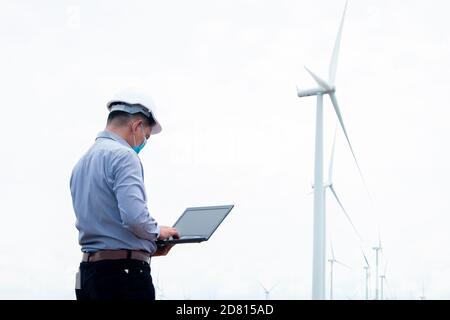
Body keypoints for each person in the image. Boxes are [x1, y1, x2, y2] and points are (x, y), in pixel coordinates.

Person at [69, 88, 179, 300]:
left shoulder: (81, 163)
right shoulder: (124, 156)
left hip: (89, 276)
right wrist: (157, 232)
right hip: (124, 277)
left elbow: (106, 225)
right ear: (137, 125)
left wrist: (146, 248)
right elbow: (135, 218)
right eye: (146, 136)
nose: (144, 142)